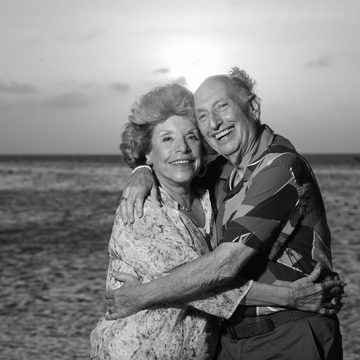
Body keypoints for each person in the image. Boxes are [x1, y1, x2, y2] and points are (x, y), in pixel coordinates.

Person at [106, 69, 344, 359]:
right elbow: (174, 164)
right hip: (228, 342)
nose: (214, 123)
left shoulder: (279, 168)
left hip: (288, 333)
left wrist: (139, 296)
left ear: (253, 107)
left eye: (222, 106)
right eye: (203, 116)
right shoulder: (220, 174)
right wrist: (141, 169)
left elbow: (224, 266)